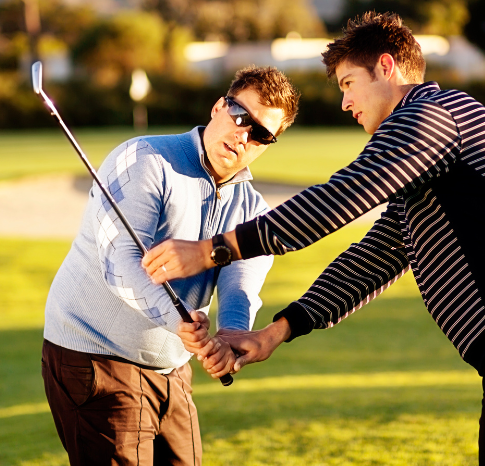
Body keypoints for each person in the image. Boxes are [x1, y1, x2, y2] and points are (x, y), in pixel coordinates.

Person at [143, 12, 485, 465]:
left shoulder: (431, 116)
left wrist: (212, 250)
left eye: (348, 83)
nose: (345, 103)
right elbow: (376, 257)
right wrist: (277, 332)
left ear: (386, 67)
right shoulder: (428, 156)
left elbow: (341, 197)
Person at [41, 65, 300, 466]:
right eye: (239, 116)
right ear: (218, 107)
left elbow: (242, 282)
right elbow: (120, 265)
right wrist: (177, 320)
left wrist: (231, 334)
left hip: (170, 368)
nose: (243, 135)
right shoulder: (145, 159)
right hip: (96, 360)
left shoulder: (250, 208)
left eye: (261, 133)